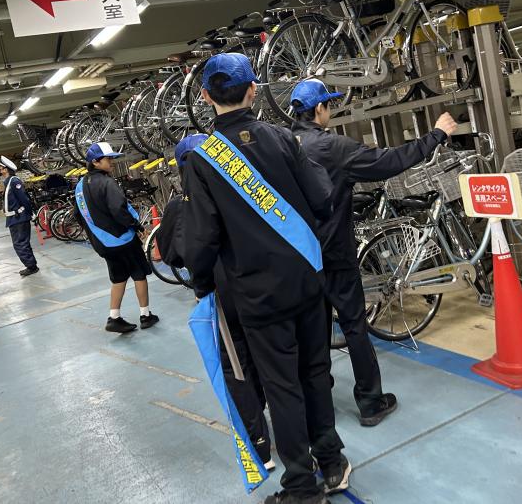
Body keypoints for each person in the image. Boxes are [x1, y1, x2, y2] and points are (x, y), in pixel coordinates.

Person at [183, 53, 349, 504]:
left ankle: (300, 485)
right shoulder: (283, 138)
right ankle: (332, 462)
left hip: (257, 295)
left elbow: (202, 237)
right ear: (253, 90)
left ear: (205, 97)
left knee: (281, 387)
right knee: (316, 373)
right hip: (307, 280)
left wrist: (202, 284)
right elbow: (322, 196)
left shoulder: (202, 160)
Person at [290, 79, 457, 426]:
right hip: (335, 253)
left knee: (313, 328)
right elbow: (389, 161)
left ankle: (318, 394)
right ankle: (370, 400)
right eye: (329, 105)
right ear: (319, 109)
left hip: (299, 258)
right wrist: (435, 136)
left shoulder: (283, 146)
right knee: (353, 325)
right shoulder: (332, 147)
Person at [156, 133, 273, 470]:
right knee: (268, 358)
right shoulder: (246, 195)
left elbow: (172, 254)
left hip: (221, 301)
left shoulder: (182, 205)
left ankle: (260, 448)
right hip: (259, 291)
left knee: (237, 369)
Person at [74, 141, 159, 333]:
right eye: (108, 159)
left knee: (118, 277)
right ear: (95, 162)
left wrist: (97, 234)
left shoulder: (80, 186)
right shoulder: (107, 183)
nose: (112, 162)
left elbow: (78, 215)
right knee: (138, 273)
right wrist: (137, 226)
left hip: (103, 243)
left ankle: (114, 317)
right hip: (123, 240)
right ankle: (146, 315)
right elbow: (119, 210)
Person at [0, 156, 39, 277]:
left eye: (0, 168)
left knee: (20, 243)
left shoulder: (14, 181)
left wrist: (30, 213)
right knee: (22, 243)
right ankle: (32, 265)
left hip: (19, 218)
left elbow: (24, 199)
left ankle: (31, 266)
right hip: (14, 219)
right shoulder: (8, 181)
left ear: (6, 169)